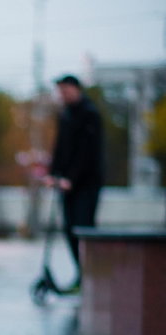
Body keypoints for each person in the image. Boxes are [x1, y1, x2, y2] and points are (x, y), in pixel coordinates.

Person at [45, 74, 104, 284]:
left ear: (76, 89)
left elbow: (87, 152)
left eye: (65, 90)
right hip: (66, 184)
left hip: (86, 184)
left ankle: (91, 275)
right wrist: (53, 173)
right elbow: (60, 148)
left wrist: (71, 178)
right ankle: (82, 274)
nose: (62, 94)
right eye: (60, 91)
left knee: (83, 227)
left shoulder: (89, 114)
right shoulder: (66, 114)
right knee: (69, 229)